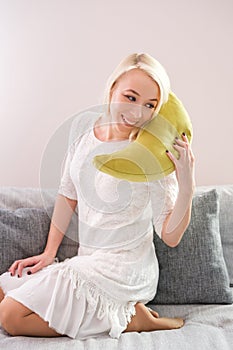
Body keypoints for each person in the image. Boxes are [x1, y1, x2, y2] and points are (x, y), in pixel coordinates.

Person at [0, 52, 195, 339]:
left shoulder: (151, 154)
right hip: (87, 262)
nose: (138, 112)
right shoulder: (83, 130)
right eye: (130, 97)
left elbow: (171, 236)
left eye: (150, 105)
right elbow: (68, 194)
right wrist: (49, 253)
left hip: (124, 271)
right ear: (112, 88)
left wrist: (187, 183)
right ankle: (117, 317)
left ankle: (132, 320)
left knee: (11, 317)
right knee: (3, 290)